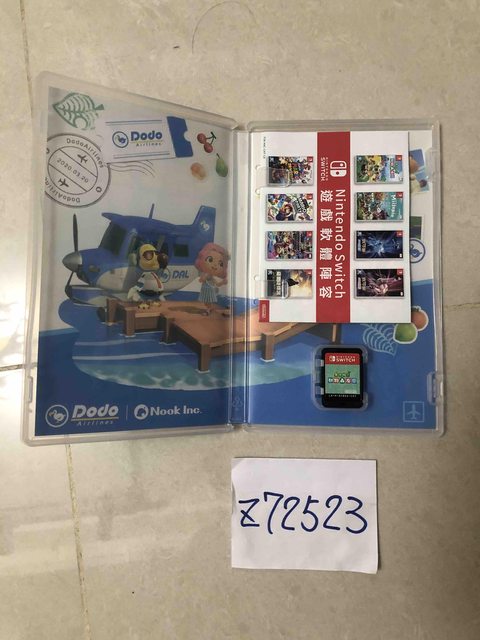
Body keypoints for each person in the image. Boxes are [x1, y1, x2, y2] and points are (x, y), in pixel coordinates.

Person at [195, 242, 229, 314]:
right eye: (210, 260)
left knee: (208, 301)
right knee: (205, 301)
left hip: (210, 291)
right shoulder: (205, 274)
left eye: (220, 264)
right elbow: (201, 280)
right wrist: (204, 277)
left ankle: (208, 310)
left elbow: (217, 284)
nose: (215, 265)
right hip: (205, 290)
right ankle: (209, 309)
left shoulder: (211, 277)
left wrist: (223, 282)